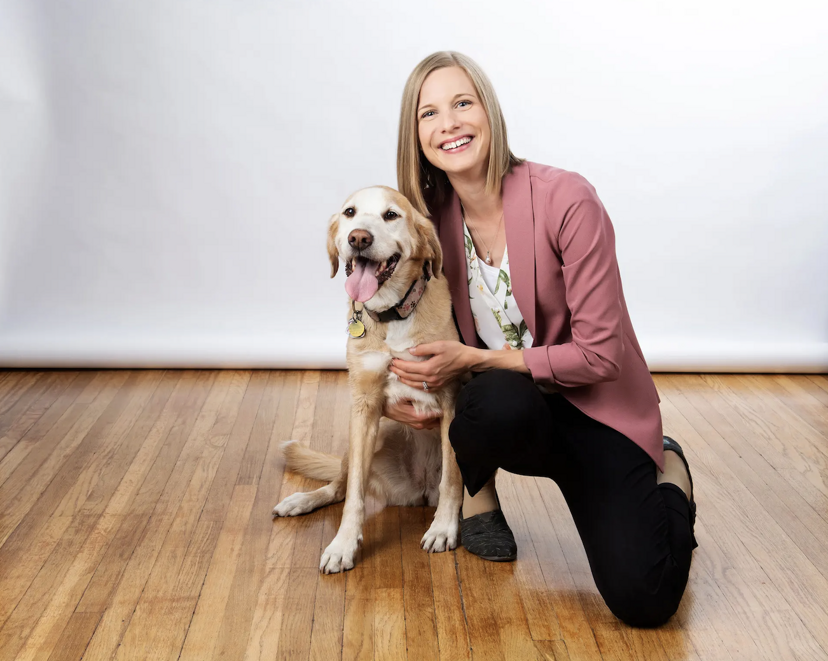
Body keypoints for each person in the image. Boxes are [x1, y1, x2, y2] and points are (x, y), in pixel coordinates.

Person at [381, 51, 697, 628]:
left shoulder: (567, 198)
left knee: (645, 600)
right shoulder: (426, 221)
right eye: (429, 113)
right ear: (416, 134)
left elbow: (601, 355)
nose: (448, 123)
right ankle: (479, 499)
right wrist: (406, 392)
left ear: (489, 112)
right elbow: (389, 312)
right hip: (519, 413)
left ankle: (670, 472)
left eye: (461, 103)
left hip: (601, 413)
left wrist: (474, 357)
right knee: (485, 404)